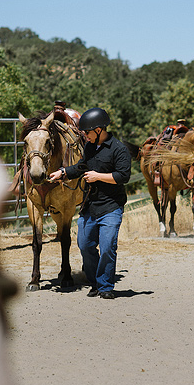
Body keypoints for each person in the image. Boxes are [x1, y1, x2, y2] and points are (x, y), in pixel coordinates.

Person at [49, 107, 132, 299]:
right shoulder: (89, 147)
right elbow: (81, 167)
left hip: (111, 206)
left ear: (99, 130)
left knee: (107, 247)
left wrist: (98, 177)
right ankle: (95, 281)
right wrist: (62, 173)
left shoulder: (118, 149)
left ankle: (105, 287)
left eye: (86, 132)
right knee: (85, 245)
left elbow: (123, 176)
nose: (84, 136)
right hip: (90, 206)